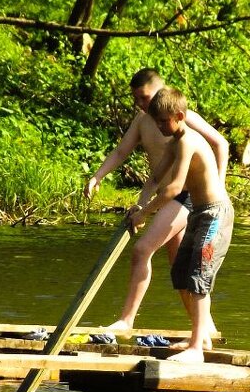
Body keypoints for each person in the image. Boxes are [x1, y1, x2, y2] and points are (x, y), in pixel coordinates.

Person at [84, 68, 229, 333]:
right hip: (165, 197)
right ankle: (206, 330)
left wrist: (219, 185)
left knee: (142, 250)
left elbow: (221, 144)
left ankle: (127, 320)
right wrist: (98, 177)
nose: (140, 104)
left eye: (144, 97)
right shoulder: (142, 122)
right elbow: (122, 152)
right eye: (136, 99)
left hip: (184, 197)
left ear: (161, 91)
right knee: (179, 268)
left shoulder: (182, 118)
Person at [129, 88, 234, 363]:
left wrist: (146, 214)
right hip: (199, 213)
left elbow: (174, 188)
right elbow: (155, 178)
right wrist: (140, 205)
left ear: (179, 116)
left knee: (199, 275)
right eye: (157, 122)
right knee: (182, 272)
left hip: (215, 215)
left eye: (164, 121)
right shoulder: (174, 143)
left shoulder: (187, 141)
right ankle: (199, 337)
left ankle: (197, 348)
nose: (160, 127)